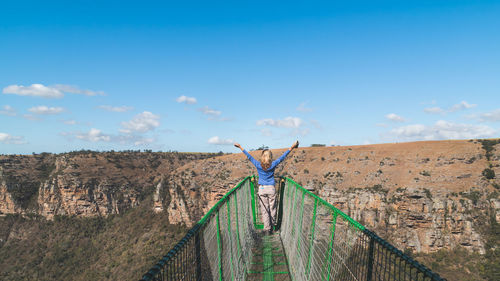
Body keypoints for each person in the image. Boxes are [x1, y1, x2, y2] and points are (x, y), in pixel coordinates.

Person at [234, 141, 299, 234]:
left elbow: (249, 157)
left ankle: (267, 228)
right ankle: (272, 227)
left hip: (262, 189)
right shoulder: (273, 164)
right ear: (270, 157)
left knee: (265, 210)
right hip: (271, 188)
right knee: (272, 208)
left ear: (262, 156)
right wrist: (292, 147)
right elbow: (283, 157)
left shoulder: (258, 164)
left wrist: (240, 147)